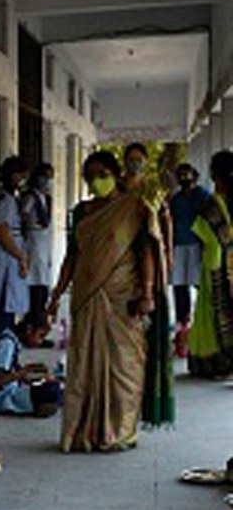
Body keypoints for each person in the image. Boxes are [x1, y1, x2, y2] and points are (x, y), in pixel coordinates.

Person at [48, 150, 156, 452]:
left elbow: (146, 252)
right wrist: (55, 295)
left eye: (101, 175)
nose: (96, 182)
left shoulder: (134, 208)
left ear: (115, 174)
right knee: (83, 365)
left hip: (124, 297)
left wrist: (147, 293)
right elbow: (72, 256)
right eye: (90, 177)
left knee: (125, 365)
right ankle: (82, 432)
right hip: (86, 295)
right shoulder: (82, 213)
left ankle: (120, 431)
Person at [122, 142, 175, 426]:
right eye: (130, 159)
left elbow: (162, 227)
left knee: (147, 340)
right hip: (120, 268)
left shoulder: (152, 192)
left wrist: (167, 255)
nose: (135, 164)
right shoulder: (118, 190)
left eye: (139, 159)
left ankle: (146, 402)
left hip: (149, 271)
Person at [186, 150, 233, 379]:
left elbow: (204, 235)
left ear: (214, 175)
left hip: (215, 263)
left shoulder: (212, 205)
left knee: (213, 312)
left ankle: (217, 363)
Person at [0, 313, 64, 417]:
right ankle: (41, 404)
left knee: (53, 387)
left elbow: (10, 373)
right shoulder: (6, 344)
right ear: (29, 330)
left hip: (6, 391)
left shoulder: (12, 342)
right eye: (40, 336)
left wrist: (32, 373)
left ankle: (43, 403)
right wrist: (23, 373)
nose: (40, 342)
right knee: (51, 391)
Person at [0, 157, 30, 341]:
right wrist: (21, 257)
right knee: (4, 310)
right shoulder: (6, 201)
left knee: (7, 310)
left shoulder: (8, 198)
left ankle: (5, 355)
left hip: (8, 259)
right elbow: (3, 232)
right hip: (6, 262)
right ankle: (1, 357)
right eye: (20, 175)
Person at [168, 164, 211, 357]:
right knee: (180, 285)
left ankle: (203, 319)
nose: (184, 177)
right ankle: (182, 323)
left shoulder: (202, 195)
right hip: (178, 244)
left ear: (195, 175)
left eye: (188, 174)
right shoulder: (176, 199)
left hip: (196, 244)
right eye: (181, 175)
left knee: (199, 282)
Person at [20, 162, 56, 324]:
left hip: (43, 242)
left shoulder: (46, 198)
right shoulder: (30, 197)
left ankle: (39, 325)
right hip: (33, 241)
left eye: (50, 177)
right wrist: (30, 225)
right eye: (45, 177)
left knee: (43, 286)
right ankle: (33, 325)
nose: (47, 181)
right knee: (35, 287)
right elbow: (24, 216)